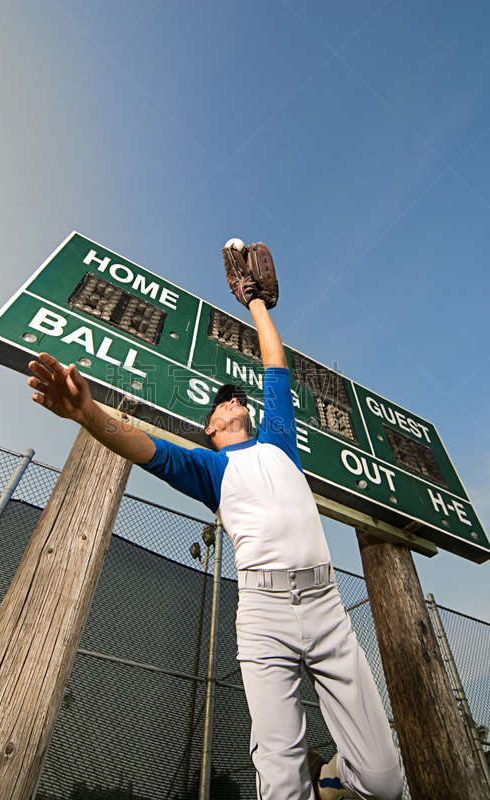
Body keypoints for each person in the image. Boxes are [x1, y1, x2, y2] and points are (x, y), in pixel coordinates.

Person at [28, 295, 403, 800]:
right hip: (264, 618)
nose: (235, 399)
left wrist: (257, 302)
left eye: (238, 398)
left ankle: (331, 779)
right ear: (210, 428)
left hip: (326, 607)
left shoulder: (278, 442)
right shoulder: (210, 469)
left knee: (383, 783)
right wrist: (88, 412)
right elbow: (144, 448)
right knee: (281, 784)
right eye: (223, 401)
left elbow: (276, 365)